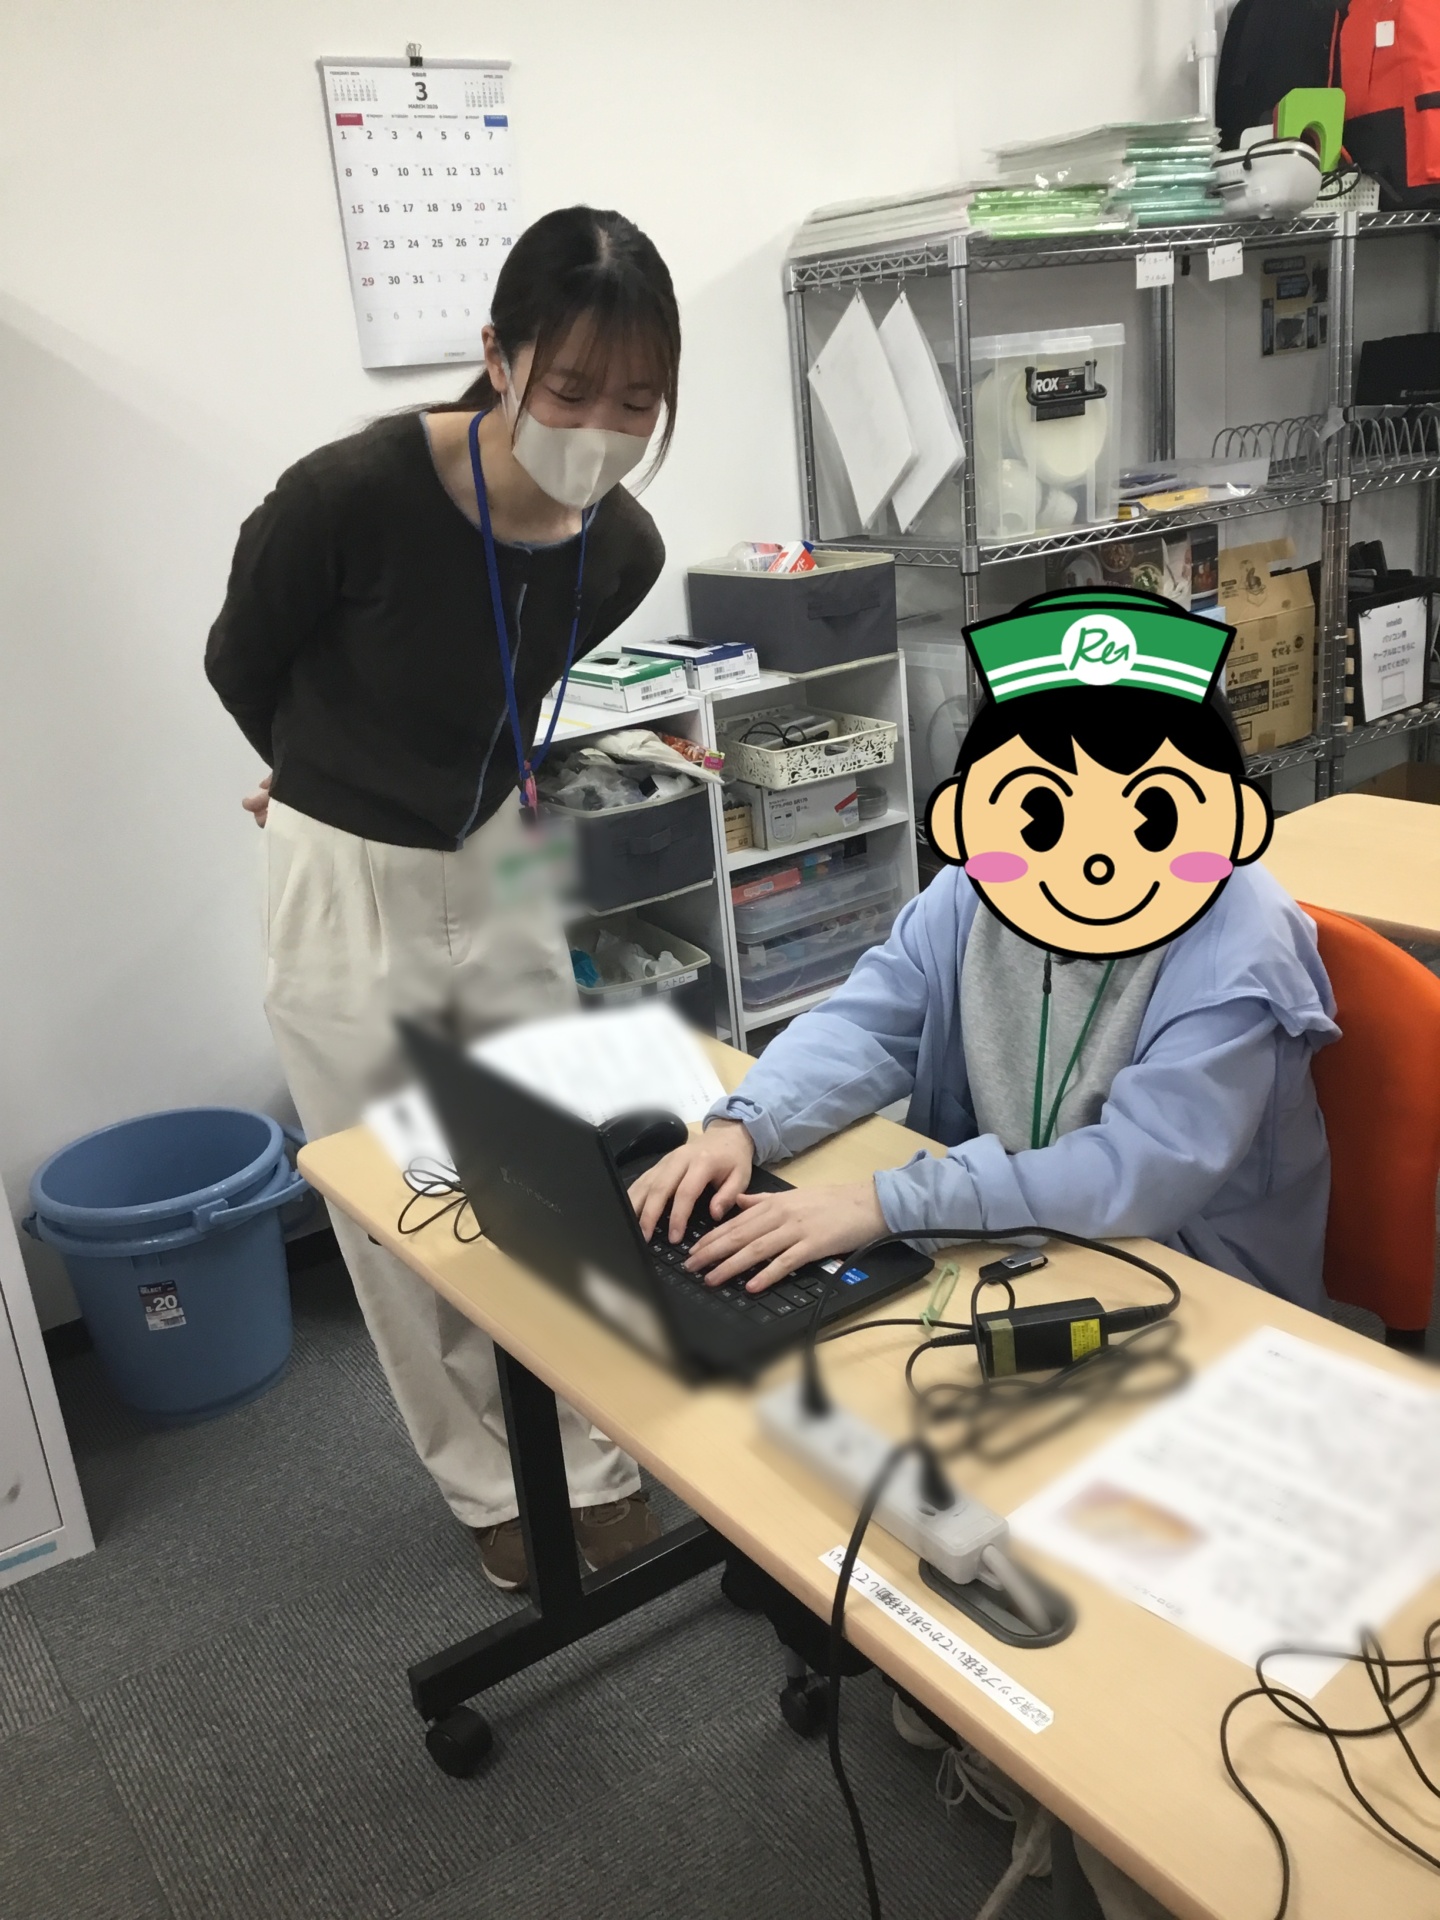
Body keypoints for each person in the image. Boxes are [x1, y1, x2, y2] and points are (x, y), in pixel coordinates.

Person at [628, 586, 1338, 1920]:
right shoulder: (984, 879)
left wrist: (890, 1203)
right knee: (846, 1415)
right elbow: (873, 1015)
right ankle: (985, 1715)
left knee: (1038, 1550)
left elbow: (1145, 1170)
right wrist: (745, 1120)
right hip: (1004, 1240)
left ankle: (1097, 1796)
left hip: (1190, 1290)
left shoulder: (1239, 937)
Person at [206, 205, 681, 1592]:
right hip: (341, 869)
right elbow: (243, 659)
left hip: (504, 844)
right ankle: (488, 1486)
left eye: (638, 401)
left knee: (550, 1167)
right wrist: (317, 782)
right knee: (401, 1201)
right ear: (499, 355)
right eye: (571, 388)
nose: (600, 427)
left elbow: (514, 692)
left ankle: (596, 1459)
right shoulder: (349, 494)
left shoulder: (623, 548)